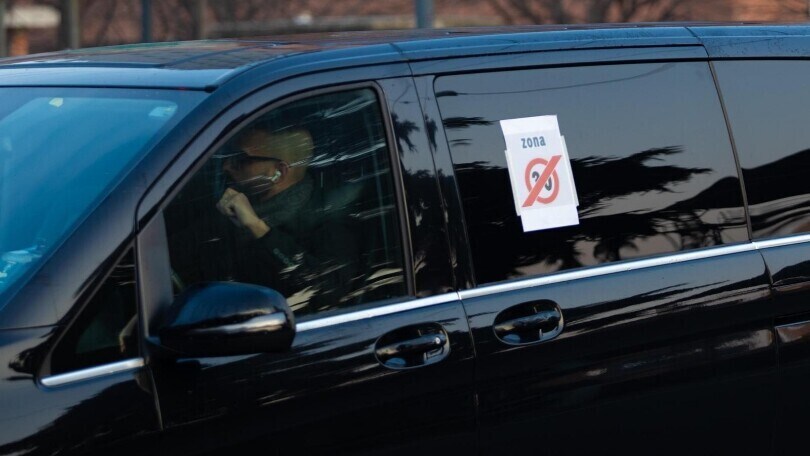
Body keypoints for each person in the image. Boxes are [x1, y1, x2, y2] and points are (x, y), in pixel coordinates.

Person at [214, 125, 359, 314]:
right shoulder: (232, 203)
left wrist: (259, 229)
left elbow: (326, 290)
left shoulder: (329, 220)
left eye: (241, 160)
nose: (227, 166)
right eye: (227, 157)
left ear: (278, 172)